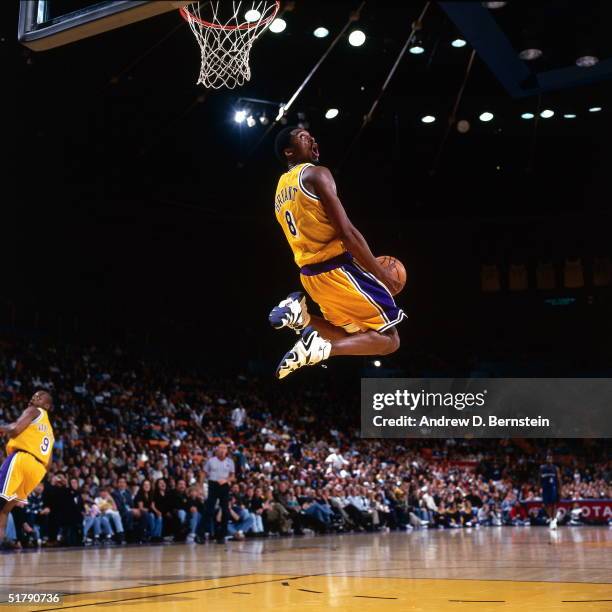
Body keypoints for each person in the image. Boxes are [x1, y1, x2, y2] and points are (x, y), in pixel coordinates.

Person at [270, 127, 406, 379]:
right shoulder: (316, 174)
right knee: (390, 339)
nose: (312, 138)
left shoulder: (279, 189)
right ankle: (321, 349)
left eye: (311, 135)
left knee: (355, 336)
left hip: (310, 277)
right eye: (303, 137)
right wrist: (382, 277)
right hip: (338, 269)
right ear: (289, 151)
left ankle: (302, 318)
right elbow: (347, 233)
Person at [0, 391, 55, 545]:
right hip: (37, 471)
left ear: (46, 406)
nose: (34, 397)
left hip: (23, 459)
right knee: (4, 510)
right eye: (34, 395)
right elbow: (49, 464)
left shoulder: (34, 411)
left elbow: (15, 430)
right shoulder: (50, 432)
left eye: (39, 396)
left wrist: (3, 428)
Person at [201, 443, 235, 544]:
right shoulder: (211, 460)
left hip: (224, 485)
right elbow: (203, 473)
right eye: (220, 448)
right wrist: (200, 485)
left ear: (226, 451)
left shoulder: (230, 461)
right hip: (213, 484)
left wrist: (226, 480)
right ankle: (200, 534)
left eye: (224, 448)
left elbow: (233, 476)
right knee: (209, 510)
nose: (222, 450)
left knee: (225, 510)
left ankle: (222, 536)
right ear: (216, 450)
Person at [540, 453, 562, 530]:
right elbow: (539, 479)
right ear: (546, 459)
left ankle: (553, 520)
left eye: (550, 458)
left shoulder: (555, 468)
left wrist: (560, 490)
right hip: (545, 489)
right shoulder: (542, 468)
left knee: (554, 505)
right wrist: (539, 488)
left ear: (552, 459)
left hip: (553, 488)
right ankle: (551, 518)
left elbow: (559, 480)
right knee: (546, 505)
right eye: (547, 458)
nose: (549, 459)